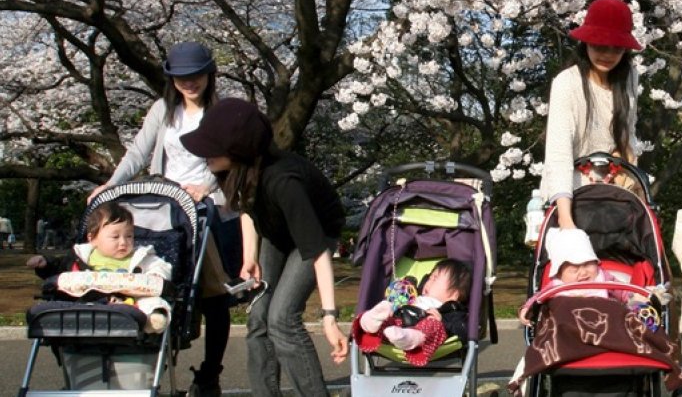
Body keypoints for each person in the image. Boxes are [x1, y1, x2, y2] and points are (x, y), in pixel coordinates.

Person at [87, 41, 233, 397]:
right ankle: (147, 365)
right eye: (182, 77)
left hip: (207, 206)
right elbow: (138, 151)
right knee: (156, 282)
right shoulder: (163, 110)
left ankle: (210, 372)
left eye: (196, 75)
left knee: (212, 295)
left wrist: (208, 185)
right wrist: (111, 185)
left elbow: (234, 156)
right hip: (165, 205)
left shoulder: (221, 111)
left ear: (209, 74)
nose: (189, 83)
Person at [181, 97, 347, 397]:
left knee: (282, 319)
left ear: (238, 149)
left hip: (315, 237)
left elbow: (317, 252)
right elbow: (248, 208)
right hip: (277, 233)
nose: (204, 154)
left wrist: (329, 316)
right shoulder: (239, 171)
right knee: (258, 317)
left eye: (211, 147)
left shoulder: (283, 180)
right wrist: (250, 257)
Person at [541, 0, 642, 230]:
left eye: (616, 48)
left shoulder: (629, 80)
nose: (607, 54)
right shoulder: (567, 83)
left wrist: (621, 159)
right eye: (599, 45)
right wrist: (566, 220)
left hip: (614, 193)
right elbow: (559, 155)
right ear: (585, 43)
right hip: (571, 195)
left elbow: (628, 133)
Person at [28, 202, 172, 333]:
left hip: (129, 301)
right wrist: (44, 264)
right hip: (87, 302)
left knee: (151, 300)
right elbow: (60, 269)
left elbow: (159, 265)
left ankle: (152, 320)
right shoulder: (81, 256)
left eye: (129, 236)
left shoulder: (140, 257)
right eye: (115, 237)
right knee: (59, 294)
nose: (123, 242)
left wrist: (157, 275)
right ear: (92, 239)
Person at [351, 259, 471, 365]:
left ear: (454, 294)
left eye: (435, 279)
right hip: (400, 323)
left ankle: (410, 338)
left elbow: (463, 329)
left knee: (434, 326)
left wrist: (443, 321)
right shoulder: (416, 296)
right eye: (429, 278)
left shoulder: (452, 310)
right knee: (388, 318)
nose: (428, 282)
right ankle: (371, 321)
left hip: (425, 336)